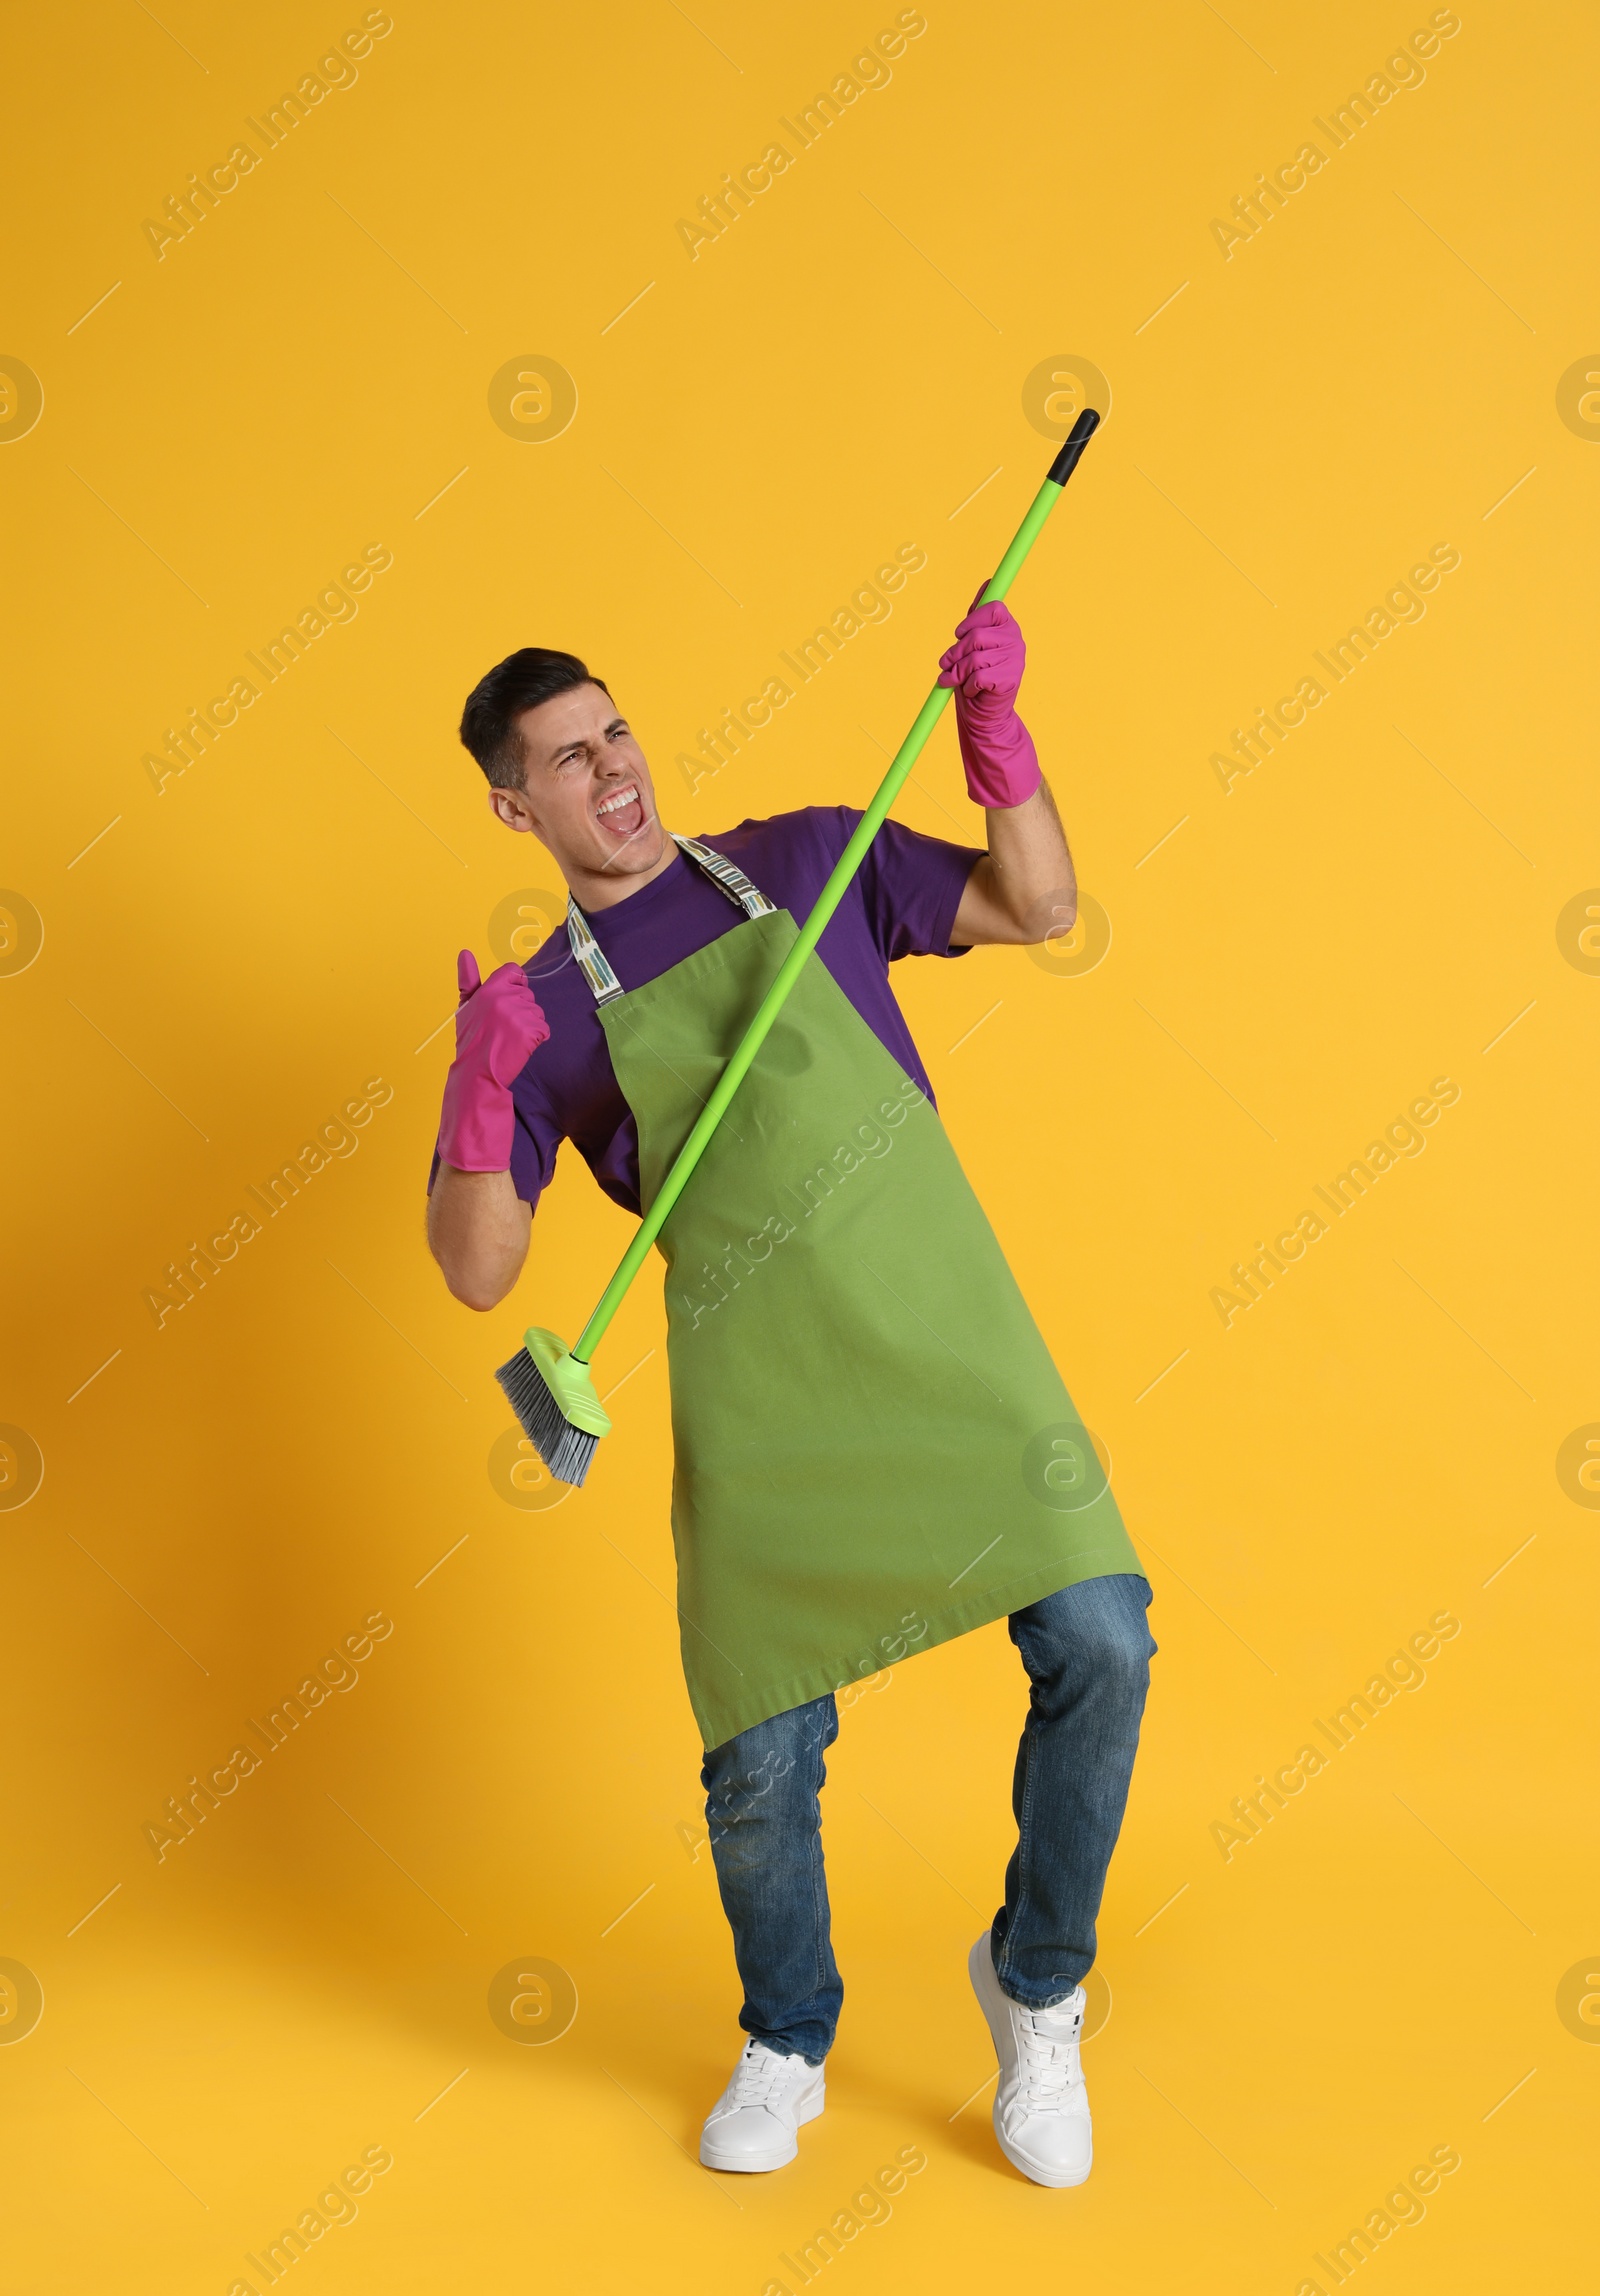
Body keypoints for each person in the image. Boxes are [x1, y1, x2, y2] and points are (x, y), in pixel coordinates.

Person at [427, 597, 1155, 2189]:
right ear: (514, 806)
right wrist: (484, 1088)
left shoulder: (811, 856)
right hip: (765, 1397)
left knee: (1103, 1636)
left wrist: (1000, 750)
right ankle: (788, 2037)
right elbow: (480, 1272)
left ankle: (1038, 1993)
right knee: (760, 1755)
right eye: (567, 758)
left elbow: (1037, 905)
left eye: (616, 731)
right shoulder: (539, 1012)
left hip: (946, 1340)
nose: (612, 771)